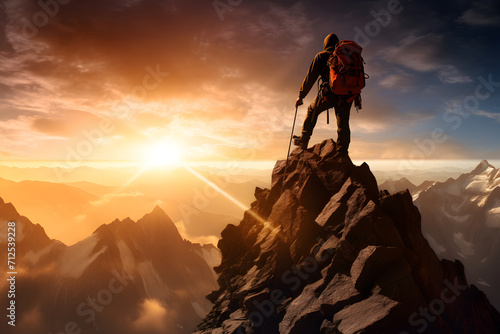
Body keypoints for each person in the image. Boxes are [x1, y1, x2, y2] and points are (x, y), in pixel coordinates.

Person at [294, 33, 353, 158]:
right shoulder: (347, 57)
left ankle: (303, 141)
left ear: (325, 44)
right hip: (347, 95)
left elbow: (310, 78)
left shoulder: (321, 56)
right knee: (343, 122)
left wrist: (301, 95)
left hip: (329, 94)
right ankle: (342, 152)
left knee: (311, 110)